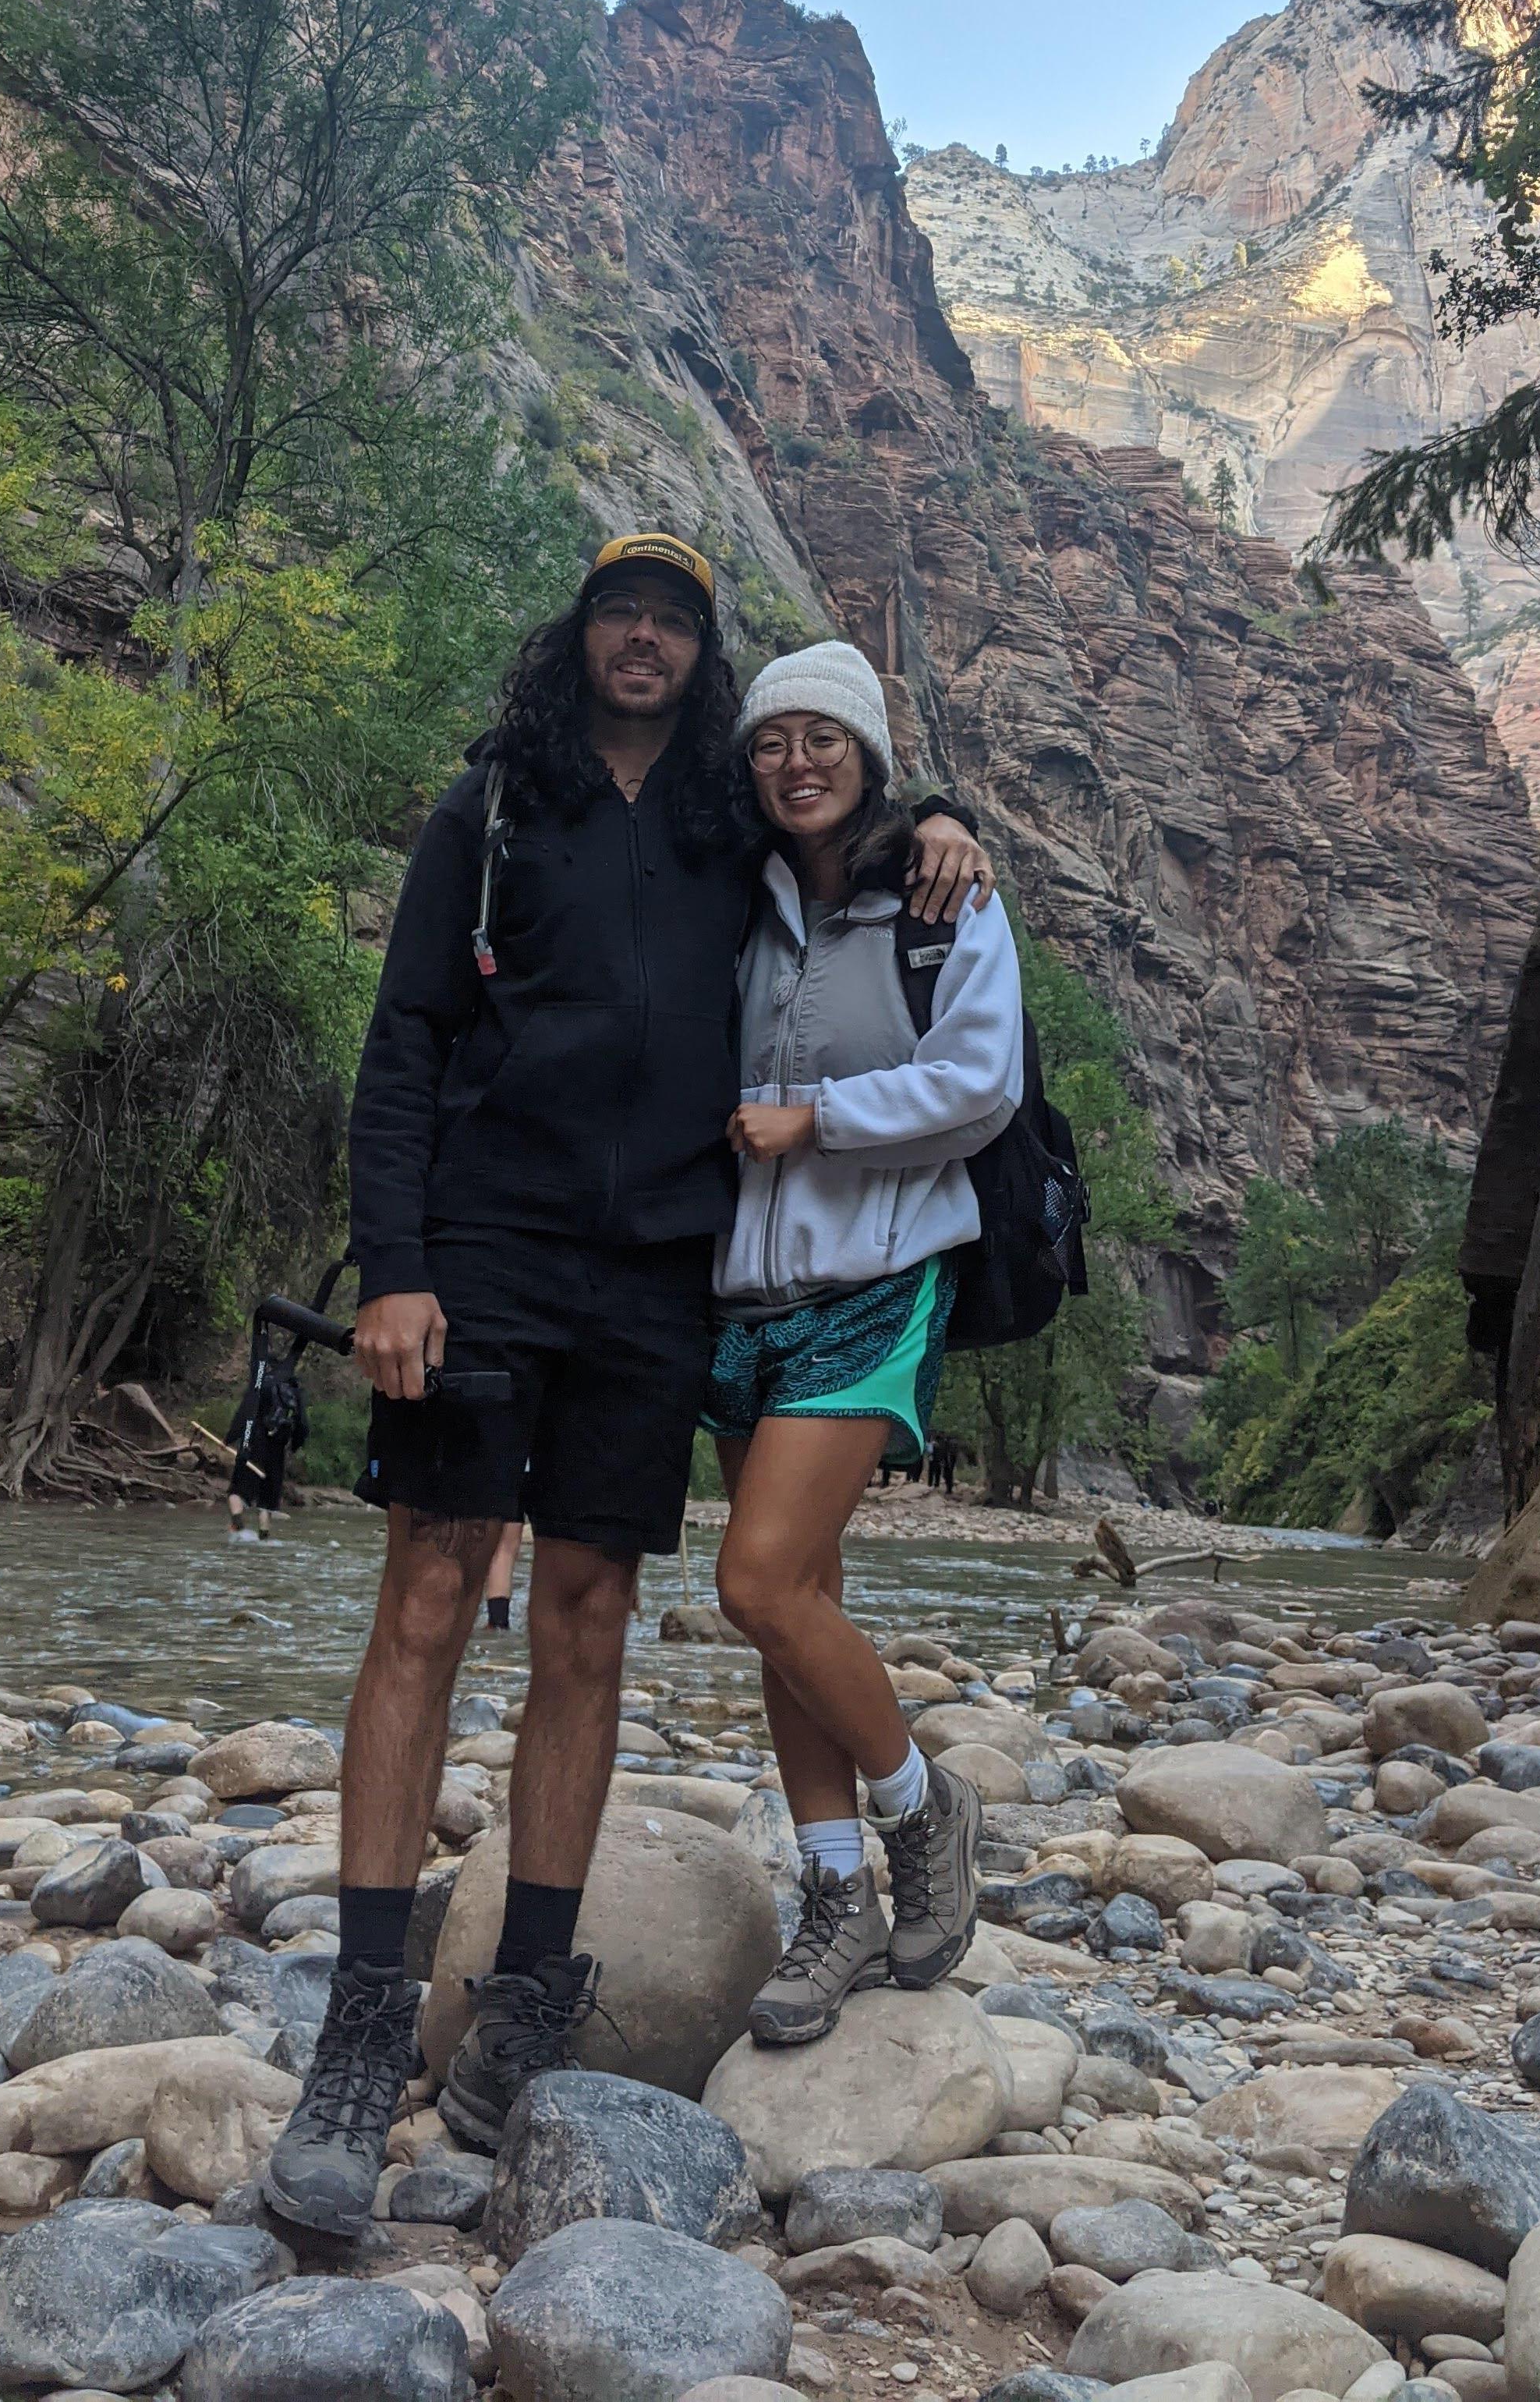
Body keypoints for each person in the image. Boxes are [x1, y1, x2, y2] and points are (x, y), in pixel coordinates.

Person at [260, 537, 993, 2235]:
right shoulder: (495, 807)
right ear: (579, 638)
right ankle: (365, 2033)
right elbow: (405, 1042)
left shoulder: (735, 823)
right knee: (432, 1593)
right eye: (619, 614)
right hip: (486, 1245)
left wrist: (949, 811)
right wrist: (395, 1266)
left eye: (672, 619)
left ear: (700, 654)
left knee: (585, 1613)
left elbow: (852, 818)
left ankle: (525, 1993)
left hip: (664, 1273)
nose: (644, 638)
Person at [704, 641, 1023, 2044]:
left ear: (871, 759)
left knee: (758, 1585)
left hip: (875, 1280)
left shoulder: (940, 902)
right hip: (737, 1298)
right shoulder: (739, 898)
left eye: (823, 740)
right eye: (772, 743)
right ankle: (834, 1897)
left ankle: (921, 1804)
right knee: (802, 1610)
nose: (797, 764)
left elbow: (980, 1087)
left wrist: (817, 1122)